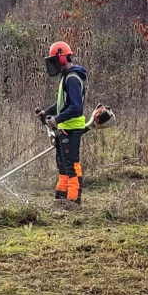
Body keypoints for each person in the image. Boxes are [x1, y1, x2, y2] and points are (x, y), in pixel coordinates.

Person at [37, 41, 88, 203]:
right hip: (64, 127)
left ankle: (73, 201)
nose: (53, 65)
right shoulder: (66, 77)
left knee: (71, 164)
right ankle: (62, 197)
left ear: (63, 59)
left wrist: (57, 119)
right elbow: (62, 104)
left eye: (54, 60)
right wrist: (47, 112)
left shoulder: (72, 78)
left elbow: (76, 107)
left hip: (71, 129)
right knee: (63, 165)